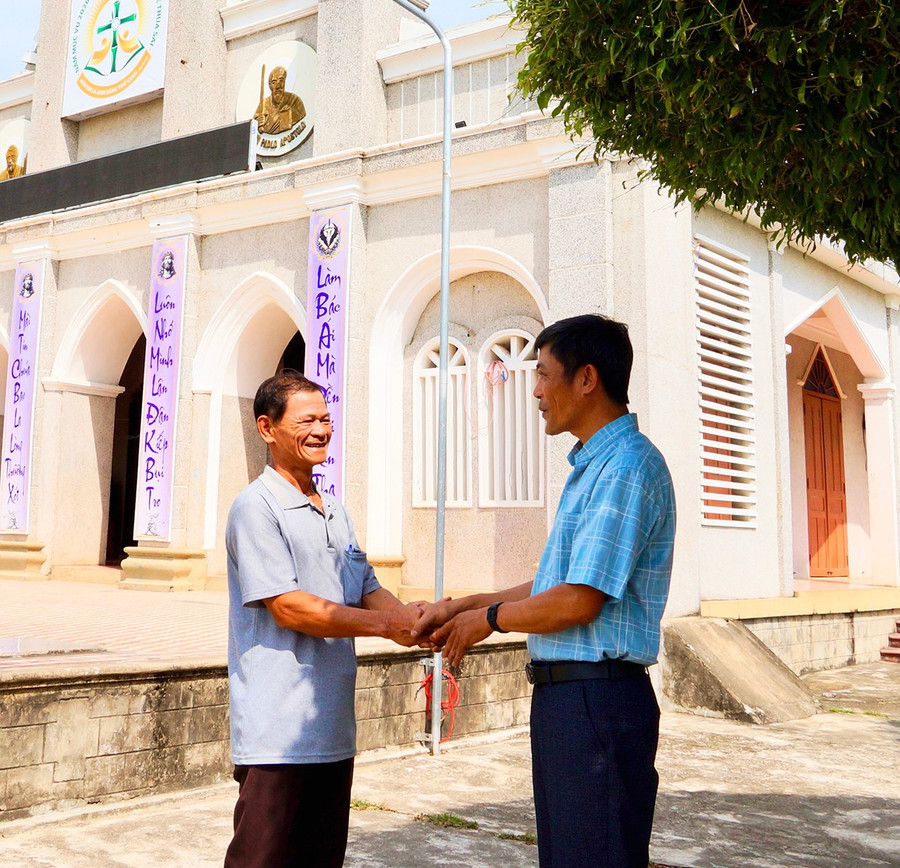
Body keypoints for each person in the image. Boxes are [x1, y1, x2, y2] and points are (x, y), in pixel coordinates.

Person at [413, 314, 676, 868]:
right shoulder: (593, 466)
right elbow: (558, 583)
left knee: (594, 855)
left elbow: (581, 600)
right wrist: (464, 606)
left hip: (597, 701)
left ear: (586, 379)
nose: (534, 389)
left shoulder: (625, 467)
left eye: (543, 374)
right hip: (571, 701)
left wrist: (490, 620)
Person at [225, 370, 423, 868]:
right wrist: (386, 627)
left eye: (327, 419)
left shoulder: (334, 508)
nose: (321, 430)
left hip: (331, 727)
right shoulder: (256, 507)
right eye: (308, 420)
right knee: (262, 859)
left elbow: (367, 587)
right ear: (267, 428)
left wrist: (420, 622)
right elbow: (288, 606)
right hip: (277, 730)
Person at [254, 65, 306, 135]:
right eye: (274, 82)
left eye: (281, 81)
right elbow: (254, 124)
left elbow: (300, 115)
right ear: (270, 86)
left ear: (285, 82)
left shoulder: (295, 101)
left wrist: (288, 116)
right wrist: (258, 122)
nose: (278, 86)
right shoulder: (264, 104)